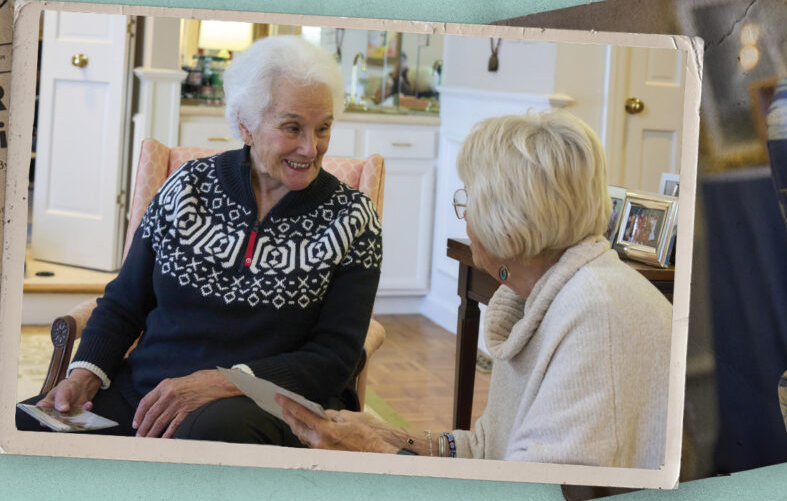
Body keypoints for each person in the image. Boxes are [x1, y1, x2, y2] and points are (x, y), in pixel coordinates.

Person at [28, 34, 381, 443]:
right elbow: (124, 303)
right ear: (245, 125)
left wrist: (224, 382)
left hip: (271, 403)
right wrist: (85, 373)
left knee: (207, 434)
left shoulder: (351, 218)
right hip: (152, 392)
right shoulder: (187, 188)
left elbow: (334, 358)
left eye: (323, 128)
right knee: (33, 427)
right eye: (292, 127)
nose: (310, 147)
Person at [279, 110, 671, 467]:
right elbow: (490, 449)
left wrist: (375, 451)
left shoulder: (595, 312)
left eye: (469, 201)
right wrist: (391, 435)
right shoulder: (534, 297)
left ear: (510, 225)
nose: (465, 217)